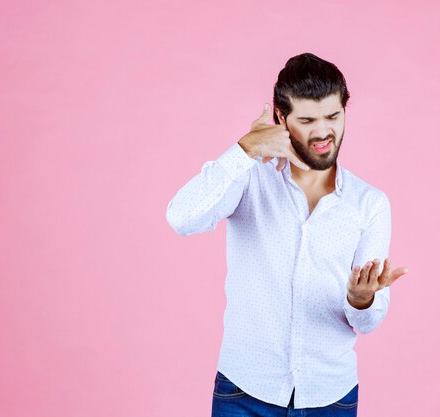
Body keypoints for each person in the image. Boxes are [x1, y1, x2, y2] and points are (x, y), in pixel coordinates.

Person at [166, 52, 409, 417]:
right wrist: (245, 149)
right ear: (281, 118)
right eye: (307, 119)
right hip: (244, 391)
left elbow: (369, 322)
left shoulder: (370, 204)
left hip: (331, 397)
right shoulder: (249, 177)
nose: (324, 131)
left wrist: (361, 300)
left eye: (333, 116)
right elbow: (181, 218)